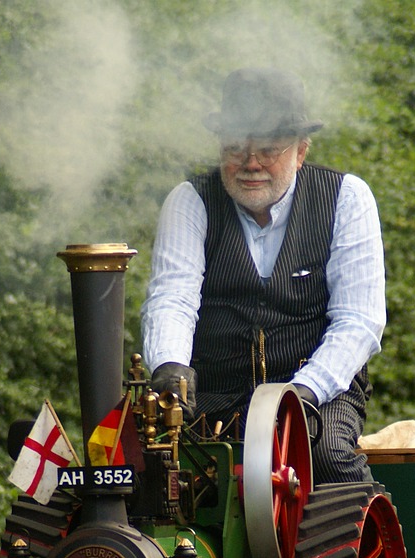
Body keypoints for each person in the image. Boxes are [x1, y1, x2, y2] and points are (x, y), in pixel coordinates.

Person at [140, 67, 387, 484]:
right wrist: (171, 369)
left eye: (269, 148)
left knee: (326, 457)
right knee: (144, 467)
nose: (250, 163)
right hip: (213, 396)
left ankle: (358, 539)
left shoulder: (348, 198)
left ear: (301, 151)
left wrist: (302, 394)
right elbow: (172, 298)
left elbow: (359, 322)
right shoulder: (189, 202)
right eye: (236, 147)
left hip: (318, 396)